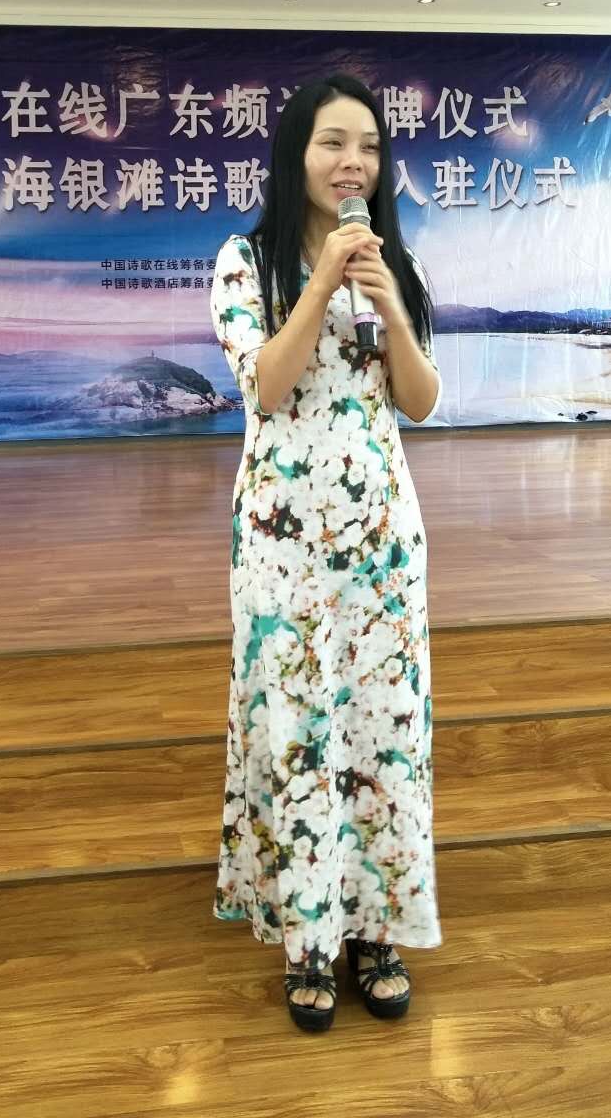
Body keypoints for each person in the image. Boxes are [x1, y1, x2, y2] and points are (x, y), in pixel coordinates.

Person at [209, 72, 443, 1033]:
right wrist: (319, 284)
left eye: (370, 147)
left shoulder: (396, 263)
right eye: (333, 143)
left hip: (382, 542)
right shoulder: (245, 261)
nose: (354, 163)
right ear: (295, 154)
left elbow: (419, 401)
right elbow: (266, 388)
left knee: (386, 730)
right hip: (283, 543)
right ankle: (308, 939)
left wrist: (390, 304)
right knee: (300, 727)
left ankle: (376, 928)